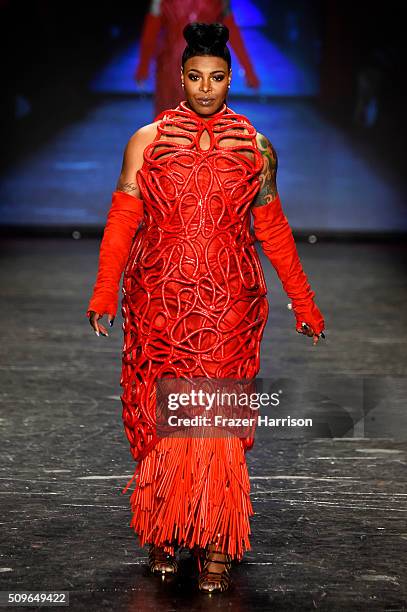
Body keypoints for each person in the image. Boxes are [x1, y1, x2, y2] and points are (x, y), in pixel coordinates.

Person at [86, 22, 325, 593]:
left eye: (216, 78)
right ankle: (166, 532)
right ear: (182, 77)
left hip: (229, 303)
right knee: (163, 418)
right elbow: (124, 218)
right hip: (159, 299)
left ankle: (217, 541)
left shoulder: (257, 147)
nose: (206, 88)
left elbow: (272, 227)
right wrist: (103, 290)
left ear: (229, 80)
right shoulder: (146, 141)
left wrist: (304, 301)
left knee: (214, 421)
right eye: (195, 77)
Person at [135, 0, 260, 116]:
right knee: (172, 124)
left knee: (202, 123)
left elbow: (231, 31)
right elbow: (151, 31)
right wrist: (143, 67)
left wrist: (249, 71)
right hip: (174, 69)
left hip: (198, 67)